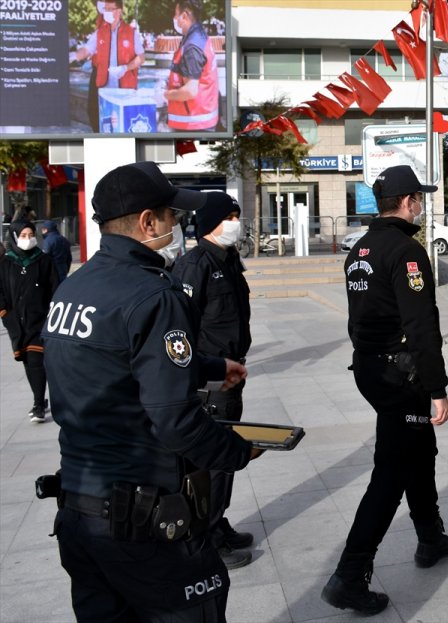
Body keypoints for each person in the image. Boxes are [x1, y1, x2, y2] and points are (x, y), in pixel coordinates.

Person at [41, 161, 262, 621]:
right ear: (147, 222)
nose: (178, 225)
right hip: (142, 523)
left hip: (80, 513)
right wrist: (237, 450)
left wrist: (210, 365)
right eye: (172, 215)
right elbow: (175, 420)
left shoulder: (73, 288)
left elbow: (115, 361)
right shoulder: (154, 296)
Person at [322, 165, 448, 615]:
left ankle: (430, 537)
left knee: (419, 449)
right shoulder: (406, 252)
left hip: (370, 367)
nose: (421, 204)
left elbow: (356, 315)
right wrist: (437, 387)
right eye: (419, 197)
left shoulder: (359, 248)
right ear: (408, 202)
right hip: (400, 375)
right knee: (391, 471)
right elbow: (422, 326)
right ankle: (350, 574)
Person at [172, 192, 254, 570]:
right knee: (214, 461)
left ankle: (217, 522)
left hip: (231, 373)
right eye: (229, 216)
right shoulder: (194, 265)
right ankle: (205, 537)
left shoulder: (228, 259)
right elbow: (181, 329)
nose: (235, 222)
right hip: (210, 381)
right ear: (209, 224)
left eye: (237, 215)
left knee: (225, 461)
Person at [0, 221, 59, 422]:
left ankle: (37, 403)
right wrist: (4, 313)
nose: (28, 238)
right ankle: (40, 400)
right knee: (27, 360)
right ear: (15, 237)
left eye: (30, 234)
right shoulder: (6, 263)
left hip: (41, 320)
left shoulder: (43, 261)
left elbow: (55, 287)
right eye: (23, 235)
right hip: (17, 322)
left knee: (36, 360)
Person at [71, 0, 145, 133]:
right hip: (104, 89)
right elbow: (87, 50)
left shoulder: (131, 33)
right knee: (99, 120)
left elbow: (141, 57)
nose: (106, 13)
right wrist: (74, 56)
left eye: (110, 9)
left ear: (119, 11)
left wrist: (125, 68)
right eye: (105, 9)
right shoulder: (99, 32)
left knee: (122, 125)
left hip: (124, 90)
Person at [165, 0, 220, 131]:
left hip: (193, 125)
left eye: (176, 14)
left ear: (184, 16)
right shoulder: (197, 37)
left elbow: (190, 90)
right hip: (198, 120)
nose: (175, 19)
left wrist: (165, 94)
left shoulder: (192, 46)